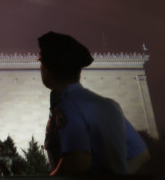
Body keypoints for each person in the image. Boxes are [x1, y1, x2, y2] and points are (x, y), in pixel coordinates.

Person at [38, 31, 149, 175]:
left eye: (41, 62)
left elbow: (77, 162)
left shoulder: (68, 107)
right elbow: (141, 154)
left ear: (48, 70)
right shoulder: (110, 105)